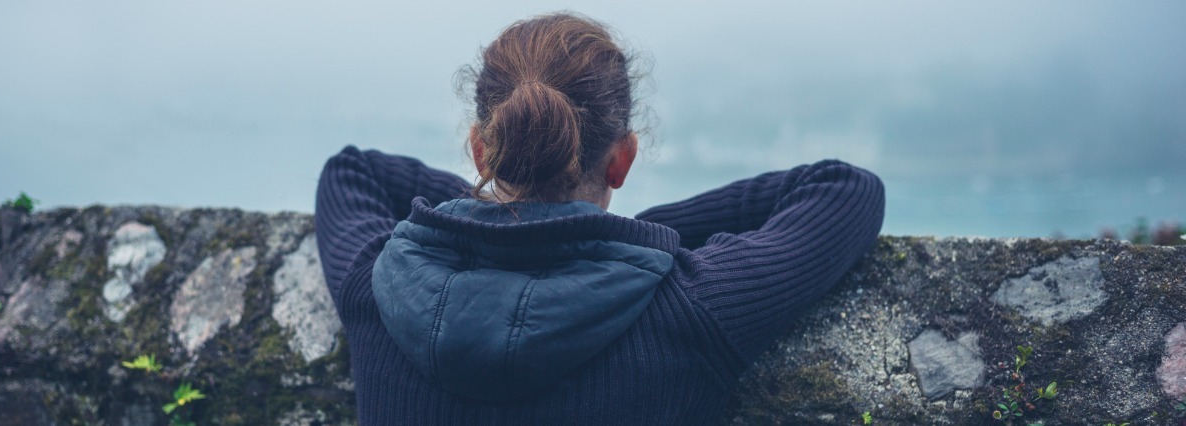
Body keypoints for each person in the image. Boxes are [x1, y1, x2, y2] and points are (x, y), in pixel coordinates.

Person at [316, 12, 884, 425]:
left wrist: (487, 209)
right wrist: (647, 232)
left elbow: (353, 171)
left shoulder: (376, 289)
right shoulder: (694, 308)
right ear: (622, 159)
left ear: (481, 151)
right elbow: (846, 191)